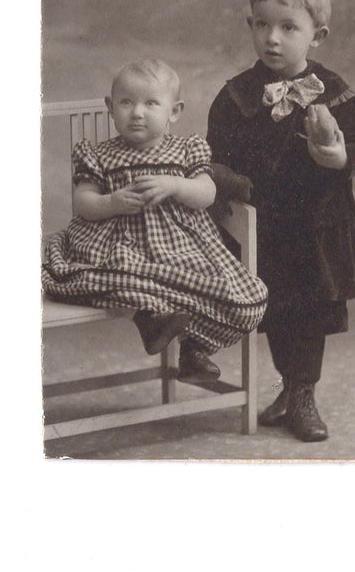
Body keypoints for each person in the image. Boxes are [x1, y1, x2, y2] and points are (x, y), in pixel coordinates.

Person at [207, 0, 355, 441]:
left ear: (317, 36)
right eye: (262, 25)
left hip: (319, 225)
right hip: (264, 224)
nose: (273, 38)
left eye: (288, 28)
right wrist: (226, 182)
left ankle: (303, 394)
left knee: (309, 311)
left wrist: (340, 154)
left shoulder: (333, 90)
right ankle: (290, 386)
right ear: (251, 26)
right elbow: (216, 154)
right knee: (278, 309)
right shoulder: (236, 95)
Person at [42, 59, 268, 384]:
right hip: (119, 250)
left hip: (180, 252)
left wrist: (175, 185)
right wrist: (112, 202)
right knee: (114, 273)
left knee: (248, 298)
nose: (137, 112)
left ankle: (194, 347)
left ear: (174, 111)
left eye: (150, 103)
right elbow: (83, 203)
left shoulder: (186, 150)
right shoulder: (98, 155)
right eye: (126, 102)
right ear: (110, 107)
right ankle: (147, 317)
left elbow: (206, 193)